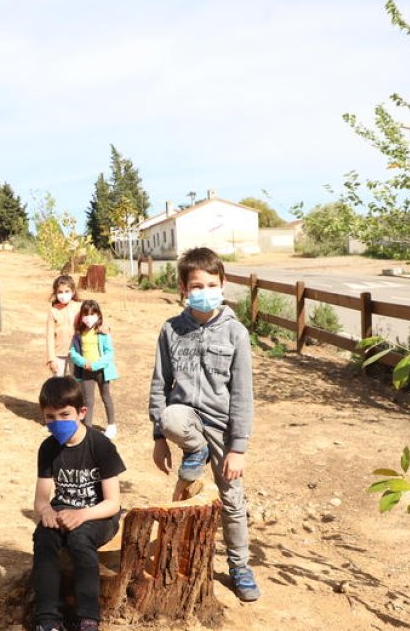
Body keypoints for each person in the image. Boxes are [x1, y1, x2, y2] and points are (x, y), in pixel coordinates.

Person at [148, 246, 260, 602]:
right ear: (183, 288)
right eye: (197, 286)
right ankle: (194, 452)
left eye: (212, 284)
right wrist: (159, 437)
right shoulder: (171, 330)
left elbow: (242, 394)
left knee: (232, 500)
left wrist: (238, 448)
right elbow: (160, 383)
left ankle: (240, 566)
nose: (205, 291)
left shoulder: (236, 333)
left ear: (223, 284)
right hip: (187, 422)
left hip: (222, 429)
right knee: (170, 416)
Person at [32, 376, 125, 631]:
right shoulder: (48, 448)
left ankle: (88, 619)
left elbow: (113, 503)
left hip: (98, 515)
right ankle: (48, 620)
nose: (57, 422)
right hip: (62, 511)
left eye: (65, 415)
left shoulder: (101, 445)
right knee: (44, 538)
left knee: (79, 539)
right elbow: (41, 499)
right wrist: (46, 510)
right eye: (50, 417)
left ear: (81, 412)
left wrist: (82, 515)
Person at [68, 299, 118, 439]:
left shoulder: (103, 333)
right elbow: (73, 352)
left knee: (106, 397)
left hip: (101, 372)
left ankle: (111, 425)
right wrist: (83, 362)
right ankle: (87, 428)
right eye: (86, 314)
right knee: (87, 401)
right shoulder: (78, 334)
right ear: (81, 316)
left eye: (92, 314)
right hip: (86, 372)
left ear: (98, 315)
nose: (89, 318)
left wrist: (95, 365)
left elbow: (109, 353)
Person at [44, 275, 80, 377]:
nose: (63, 295)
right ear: (56, 293)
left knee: (77, 381)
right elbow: (50, 337)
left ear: (73, 292)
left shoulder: (80, 307)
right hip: (59, 353)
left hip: (77, 352)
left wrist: (104, 328)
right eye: (60, 292)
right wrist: (51, 359)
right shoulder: (53, 311)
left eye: (67, 291)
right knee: (58, 382)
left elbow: (94, 320)